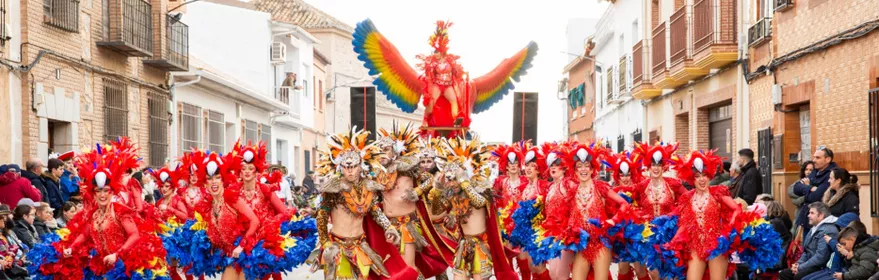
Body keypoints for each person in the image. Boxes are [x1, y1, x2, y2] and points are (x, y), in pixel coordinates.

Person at [305, 128, 417, 280]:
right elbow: (322, 217)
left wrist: (388, 227)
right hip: (338, 246)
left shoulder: (368, 187)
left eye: (354, 166)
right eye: (346, 167)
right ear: (340, 167)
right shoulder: (334, 189)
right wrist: (326, 244)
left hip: (360, 246)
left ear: (361, 165)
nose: (350, 171)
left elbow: (375, 211)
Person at [666, 150, 742, 280]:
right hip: (695, 246)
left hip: (717, 246)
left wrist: (728, 231)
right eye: (697, 176)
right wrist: (672, 243)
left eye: (704, 175)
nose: (702, 179)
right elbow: (685, 224)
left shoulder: (718, 192)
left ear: (709, 176)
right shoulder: (687, 198)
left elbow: (737, 209)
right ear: (691, 179)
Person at [490, 143, 530, 280]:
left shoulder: (525, 181)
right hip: (506, 227)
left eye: (516, 163)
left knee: (523, 261)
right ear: (506, 165)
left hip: (522, 226)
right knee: (508, 259)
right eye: (510, 163)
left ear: (519, 165)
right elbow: (493, 200)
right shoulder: (501, 182)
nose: (513, 165)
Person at [780, 202, 840, 280]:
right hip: (810, 264)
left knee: (798, 277)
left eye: (812, 213)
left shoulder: (828, 230)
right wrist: (798, 264)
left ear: (821, 215)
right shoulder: (814, 228)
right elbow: (806, 251)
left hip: (821, 266)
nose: (808, 215)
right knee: (784, 274)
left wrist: (800, 267)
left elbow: (821, 257)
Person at [795, 147, 839, 233]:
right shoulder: (815, 171)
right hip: (807, 218)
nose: (814, 160)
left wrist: (807, 190)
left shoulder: (832, 174)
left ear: (828, 159)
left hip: (820, 220)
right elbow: (796, 188)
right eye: (814, 157)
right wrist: (810, 187)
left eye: (818, 158)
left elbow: (815, 197)